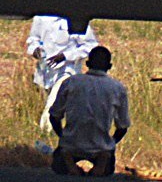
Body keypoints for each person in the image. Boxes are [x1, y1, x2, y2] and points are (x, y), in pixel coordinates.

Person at [49, 44, 129, 175]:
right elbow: (123, 127)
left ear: (87, 63)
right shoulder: (117, 88)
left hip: (71, 143)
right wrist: (110, 143)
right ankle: (103, 159)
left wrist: (63, 137)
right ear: (109, 67)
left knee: (59, 166)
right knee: (106, 166)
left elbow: (54, 116)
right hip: (101, 146)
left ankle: (68, 159)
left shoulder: (71, 82)